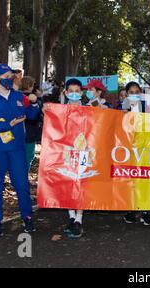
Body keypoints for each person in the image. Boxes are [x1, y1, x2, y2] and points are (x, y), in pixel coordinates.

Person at [0, 64, 40, 237]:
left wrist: (37, 104)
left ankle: (27, 216)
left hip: (17, 149)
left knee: (22, 185)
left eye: (12, 76)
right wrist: (9, 124)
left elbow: (32, 115)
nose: (11, 78)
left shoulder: (19, 97)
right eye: (7, 75)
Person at [122, 81, 150, 226]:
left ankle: (145, 210)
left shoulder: (144, 106)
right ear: (127, 94)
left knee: (144, 177)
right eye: (131, 92)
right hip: (127, 148)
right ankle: (131, 210)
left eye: (137, 92)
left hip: (144, 146)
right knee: (130, 179)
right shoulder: (123, 106)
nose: (134, 95)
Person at [60, 78, 86, 239]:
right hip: (65, 151)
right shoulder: (60, 110)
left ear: (81, 93)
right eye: (71, 91)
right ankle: (71, 216)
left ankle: (79, 219)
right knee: (67, 182)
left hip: (84, 152)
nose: (74, 94)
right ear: (66, 93)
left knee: (81, 183)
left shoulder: (89, 110)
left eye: (77, 91)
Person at [20, 76, 44, 175]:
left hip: (18, 132)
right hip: (30, 132)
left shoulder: (15, 96)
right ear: (30, 86)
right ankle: (22, 176)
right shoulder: (33, 99)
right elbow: (35, 115)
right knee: (29, 156)